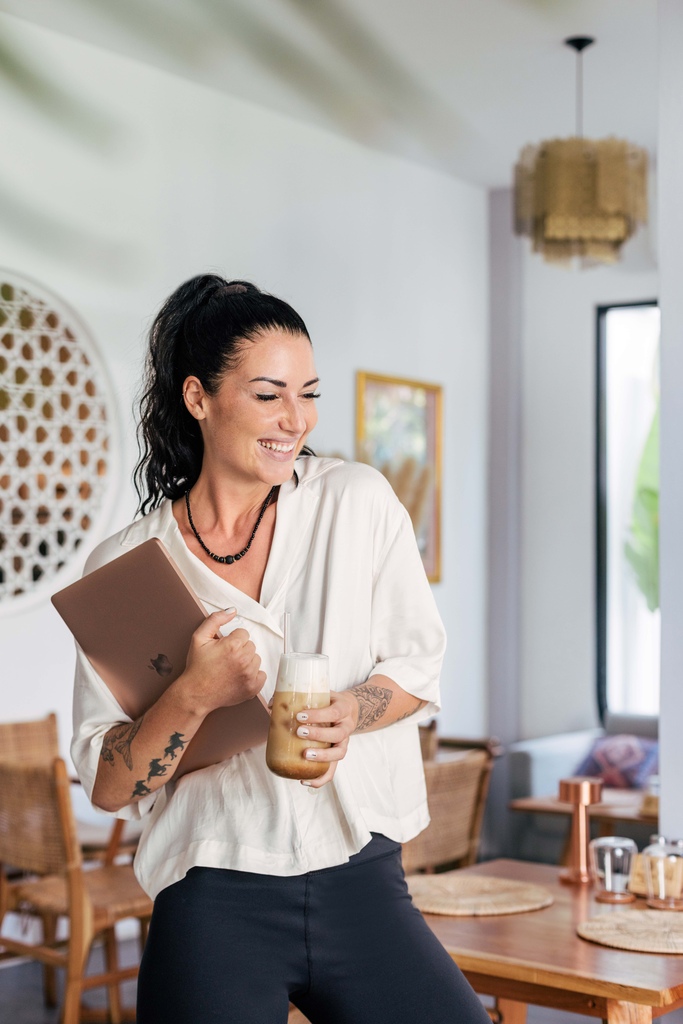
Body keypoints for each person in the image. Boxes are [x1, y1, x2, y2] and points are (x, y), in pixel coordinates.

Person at [71, 275, 490, 1024]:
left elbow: (417, 669)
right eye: (268, 395)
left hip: (358, 874)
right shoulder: (126, 564)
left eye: (309, 392)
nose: (295, 418)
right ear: (198, 397)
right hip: (210, 888)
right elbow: (108, 785)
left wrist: (351, 713)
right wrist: (193, 692)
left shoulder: (354, 502)